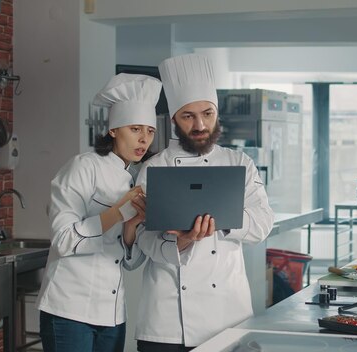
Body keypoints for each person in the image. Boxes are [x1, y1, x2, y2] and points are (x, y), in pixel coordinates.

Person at [132, 53, 275, 351]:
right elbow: (143, 239)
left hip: (228, 316)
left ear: (216, 114)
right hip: (168, 323)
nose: (200, 124)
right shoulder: (154, 168)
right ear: (173, 119)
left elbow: (263, 224)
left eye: (207, 114)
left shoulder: (239, 162)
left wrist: (221, 220)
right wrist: (181, 243)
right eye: (188, 116)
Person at [36, 73, 162, 352]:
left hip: (112, 314)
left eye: (150, 131)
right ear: (114, 130)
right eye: (135, 129)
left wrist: (132, 226)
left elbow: (128, 262)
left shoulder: (134, 177)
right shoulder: (82, 167)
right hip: (69, 310)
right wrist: (118, 212)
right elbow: (64, 240)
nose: (144, 139)